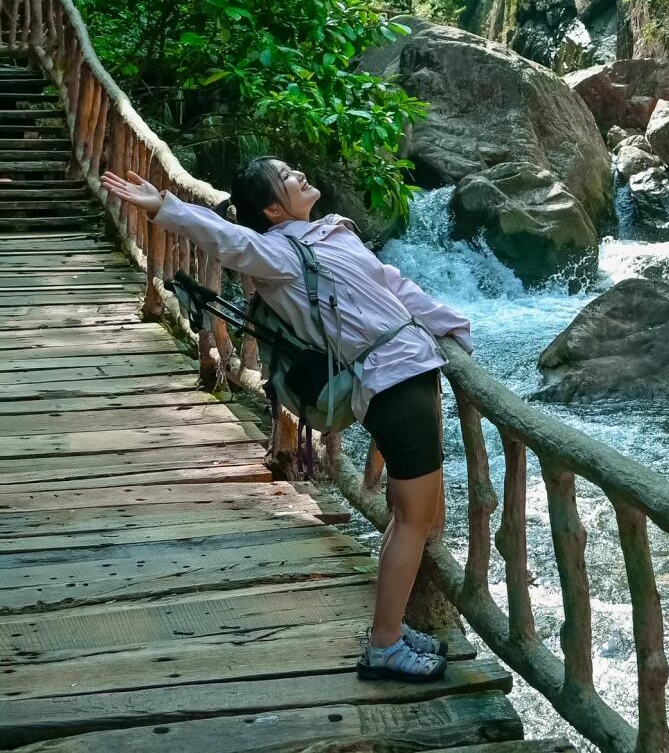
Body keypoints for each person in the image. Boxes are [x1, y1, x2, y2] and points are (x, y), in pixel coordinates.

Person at [102, 156, 473, 682]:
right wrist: (166, 206)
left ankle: (388, 630)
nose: (299, 173)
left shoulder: (332, 233)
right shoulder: (277, 253)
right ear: (274, 210)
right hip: (392, 380)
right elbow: (228, 239)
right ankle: (384, 646)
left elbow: (392, 284)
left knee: (405, 516)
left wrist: (453, 325)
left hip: (408, 369)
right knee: (415, 519)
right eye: (286, 176)